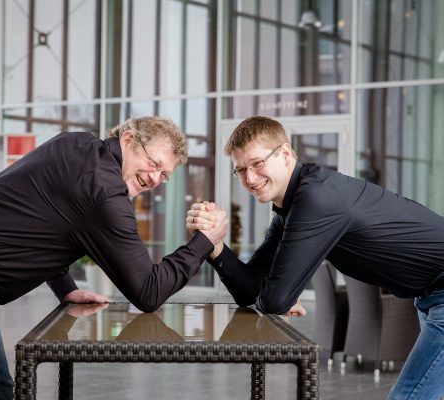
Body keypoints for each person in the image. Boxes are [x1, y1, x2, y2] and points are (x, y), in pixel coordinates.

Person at [0, 116, 227, 400]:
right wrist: (206, 240)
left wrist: (66, 287)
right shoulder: (105, 192)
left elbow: (41, 220)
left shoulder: (74, 142)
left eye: (164, 175)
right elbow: (149, 291)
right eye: (154, 163)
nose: (155, 178)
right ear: (128, 139)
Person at [186, 116, 444, 400]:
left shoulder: (317, 198)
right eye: (241, 170)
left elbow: (274, 299)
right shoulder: (292, 208)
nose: (250, 179)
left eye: (257, 164)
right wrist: (215, 245)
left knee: (409, 396)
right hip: (429, 295)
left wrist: (281, 291)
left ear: (285, 153)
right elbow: (251, 290)